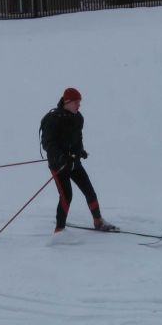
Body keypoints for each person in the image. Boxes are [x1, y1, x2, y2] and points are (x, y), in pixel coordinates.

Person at [40, 87, 116, 233]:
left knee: (89, 191)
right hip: (59, 165)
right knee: (66, 196)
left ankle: (98, 221)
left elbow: (77, 138)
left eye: (79, 102)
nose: (78, 105)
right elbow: (49, 144)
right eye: (76, 102)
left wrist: (80, 151)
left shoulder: (78, 118)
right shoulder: (53, 119)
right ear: (67, 102)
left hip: (74, 162)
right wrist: (62, 158)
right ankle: (59, 230)